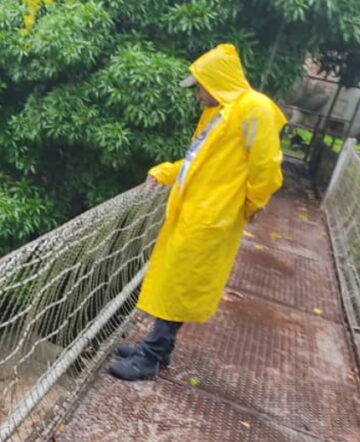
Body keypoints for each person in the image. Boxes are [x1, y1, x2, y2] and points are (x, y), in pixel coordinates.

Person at [108, 44, 286, 381]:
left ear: (217, 81)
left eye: (201, 85)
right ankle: (157, 350)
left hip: (211, 215)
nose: (198, 94)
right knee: (176, 282)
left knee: (180, 285)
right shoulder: (220, 112)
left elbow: (266, 170)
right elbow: (197, 162)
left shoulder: (252, 110)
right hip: (195, 210)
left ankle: (150, 357)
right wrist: (165, 172)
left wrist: (249, 205)